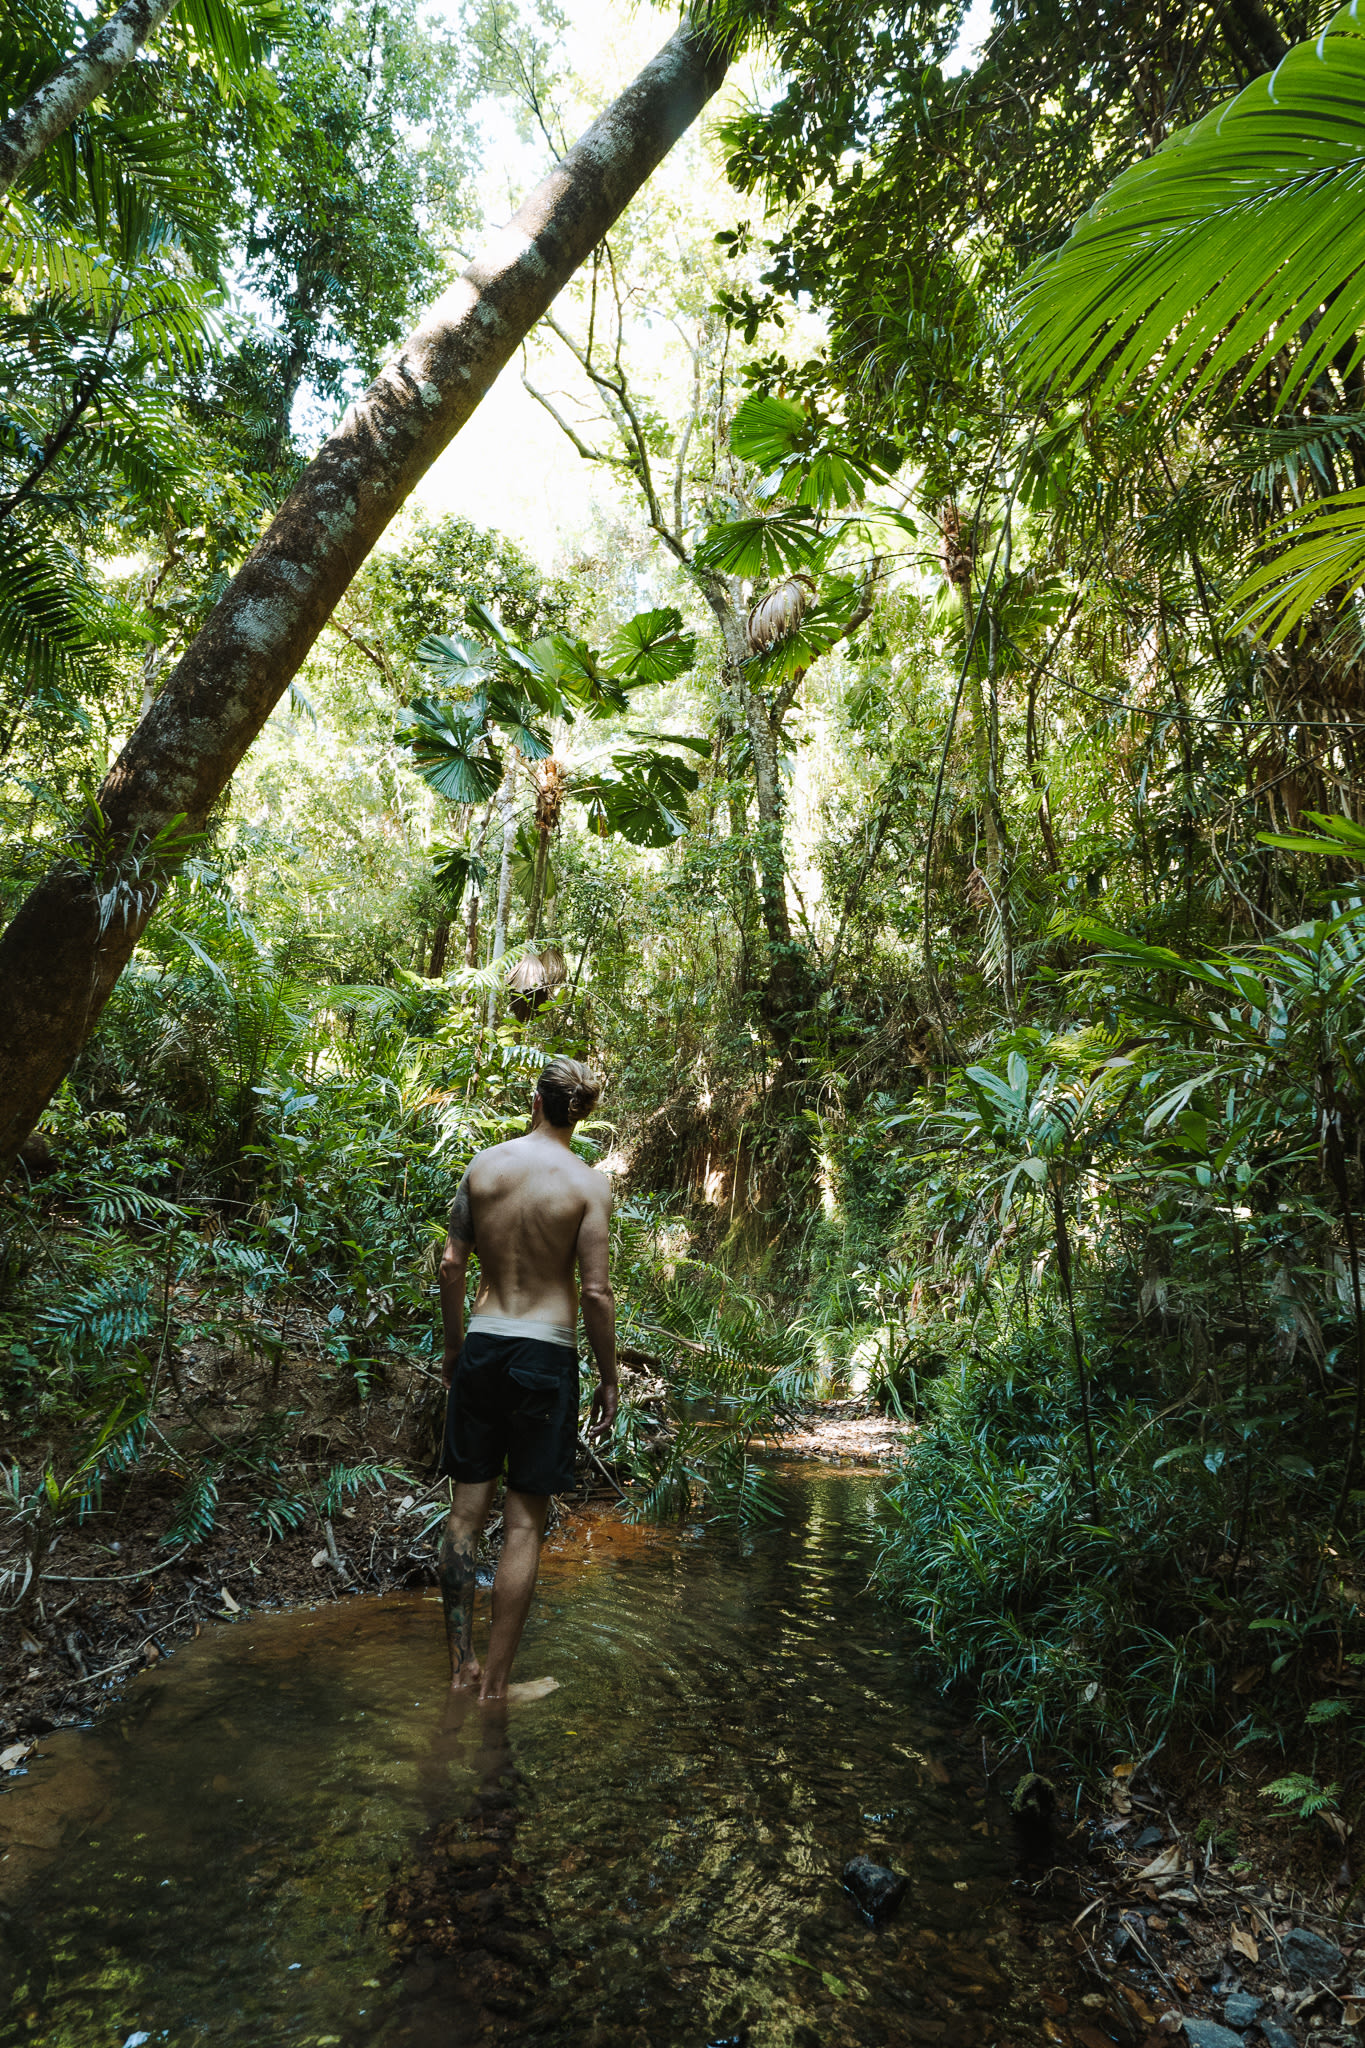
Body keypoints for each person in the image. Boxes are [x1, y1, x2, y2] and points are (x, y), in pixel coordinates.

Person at [435, 1056, 617, 1703]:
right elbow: (594, 1292)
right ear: (579, 1114)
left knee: (463, 1514)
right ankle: (497, 1690)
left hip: (483, 1345)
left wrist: (457, 1346)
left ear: (534, 1102)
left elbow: (451, 1266)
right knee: (521, 1528)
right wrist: (609, 1379)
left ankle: (461, 1671)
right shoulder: (588, 1185)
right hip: (544, 1356)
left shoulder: (483, 1167)